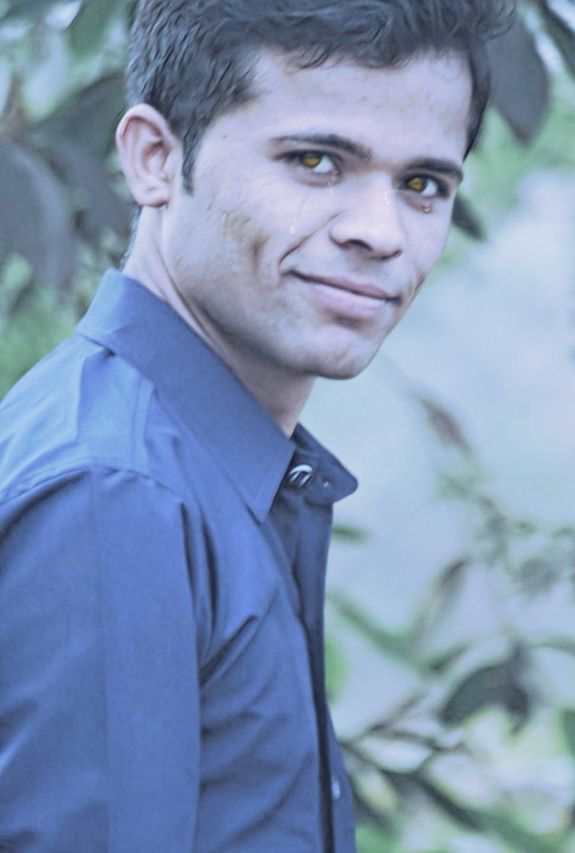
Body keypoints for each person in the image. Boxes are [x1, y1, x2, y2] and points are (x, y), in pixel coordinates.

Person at [0, 1, 508, 850]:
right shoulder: (116, 495)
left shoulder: (211, 464)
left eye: (422, 185)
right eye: (315, 161)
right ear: (155, 158)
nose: (380, 233)